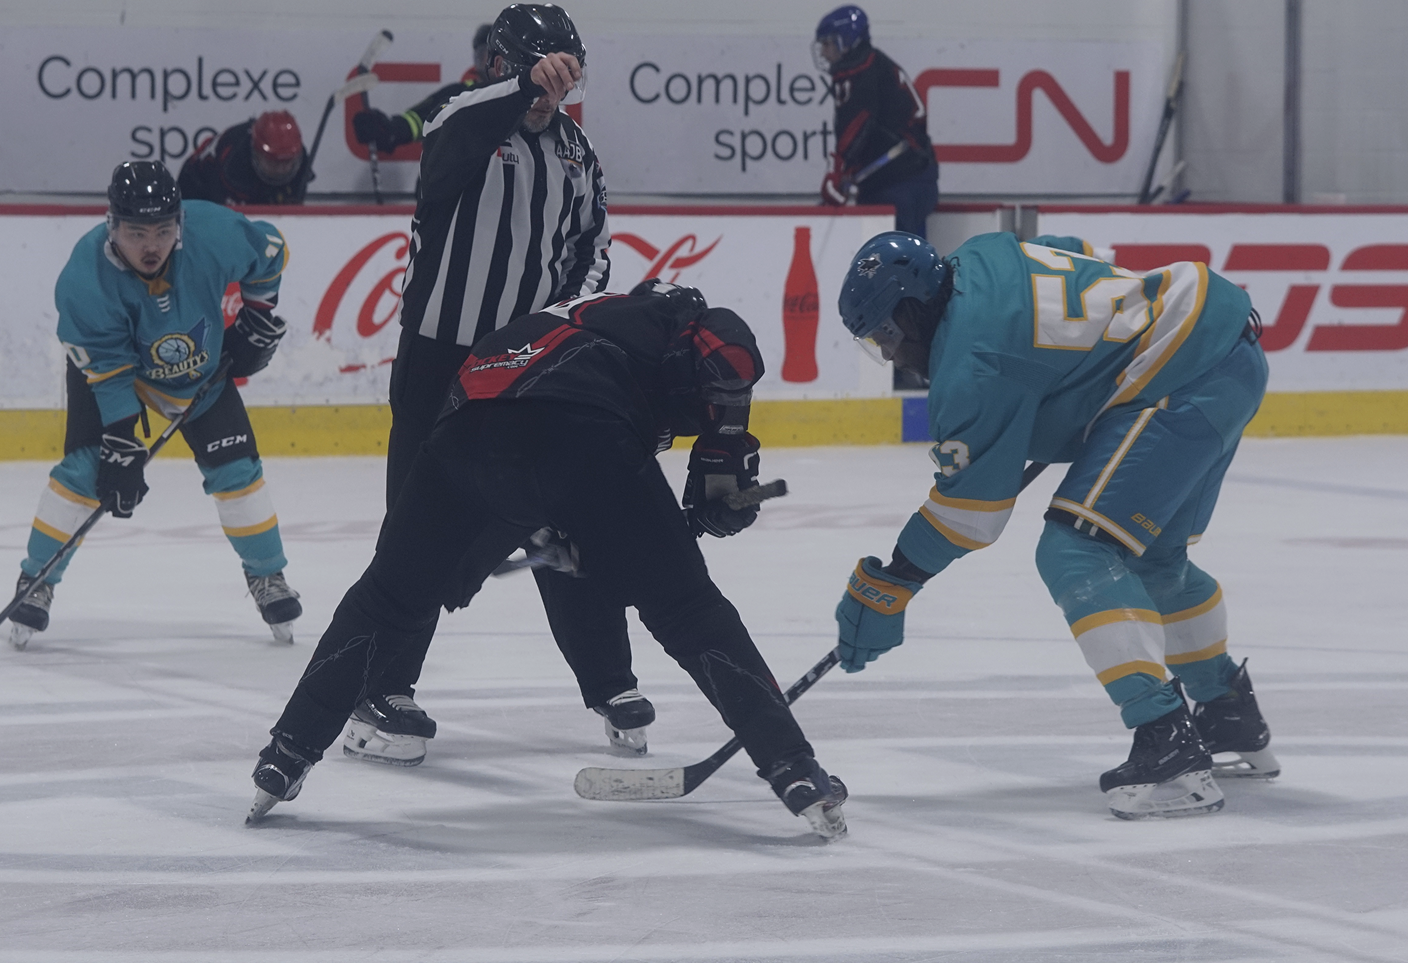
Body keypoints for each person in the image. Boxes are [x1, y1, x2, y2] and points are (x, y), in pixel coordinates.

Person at [246, 285, 850, 840]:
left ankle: (285, 755)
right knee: (689, 609)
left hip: (461, 434)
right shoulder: (685, 324)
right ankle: (794, 768)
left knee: (388, 601)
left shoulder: (601, 322)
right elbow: (720, 365)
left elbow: (527, 442)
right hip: (580, 437)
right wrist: (718, 480)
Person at [831, 230, 1281, 820]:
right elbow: (1074, 252)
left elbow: (973, 513)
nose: (890, 355)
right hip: (1225, 352)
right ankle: (1227, 712)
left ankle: (1167, 741)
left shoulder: (973, 364)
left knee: (1075, 551)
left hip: (1183, 375)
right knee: (1153, 562)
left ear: (914, 308)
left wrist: (896, 580)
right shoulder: (980, 255)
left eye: (888, 335)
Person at [339, 3, 647, 770]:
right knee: (415, 529)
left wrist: (559, 326)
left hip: (525, 365)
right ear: (502, 67)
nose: (553, 95)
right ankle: (381, 687)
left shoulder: (577, 151)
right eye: (541, 76)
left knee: (566, 517)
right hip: (439, 361)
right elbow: (461, 139)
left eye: (565, 79)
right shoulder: (460, 116)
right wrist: (522, 89)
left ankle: (610, 680)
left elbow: (593, 247)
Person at [5, 161, 302, 650]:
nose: (151, 246)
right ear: (112, 225)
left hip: (199, 372)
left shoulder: (214, 233)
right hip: (117, 374)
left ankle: (268, 576)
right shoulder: (85, 277)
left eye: (163, 231)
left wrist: (257, 315)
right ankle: (36, 580)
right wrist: (122, 440)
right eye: (137, 233)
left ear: (179, 223)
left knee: (237, 471)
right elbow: (108, 369)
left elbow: (271, 252)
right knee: (86, 471)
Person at [813, 5, 939, 240]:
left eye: (827, 44)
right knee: (896, 253)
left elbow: (857, 125)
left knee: (897, 255)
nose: (824, 52)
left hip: (900, 181)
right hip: (905, 177)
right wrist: (847, 170)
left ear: (845, 41)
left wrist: (839, 168)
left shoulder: (862, 70)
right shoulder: (871, 65)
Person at [352, 24, 494, 156]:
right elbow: (418, 120)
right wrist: (389, 129)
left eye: (496, 56)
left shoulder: (509, 99)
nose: (491, 63)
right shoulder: (457, 95)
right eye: (484, 54)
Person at [178, 111, 311, 206]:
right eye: (273, 163)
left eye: (287, 162)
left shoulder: (300, 160)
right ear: (256, 154)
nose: (281, 170)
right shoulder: (233, 165)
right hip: (198, 187)